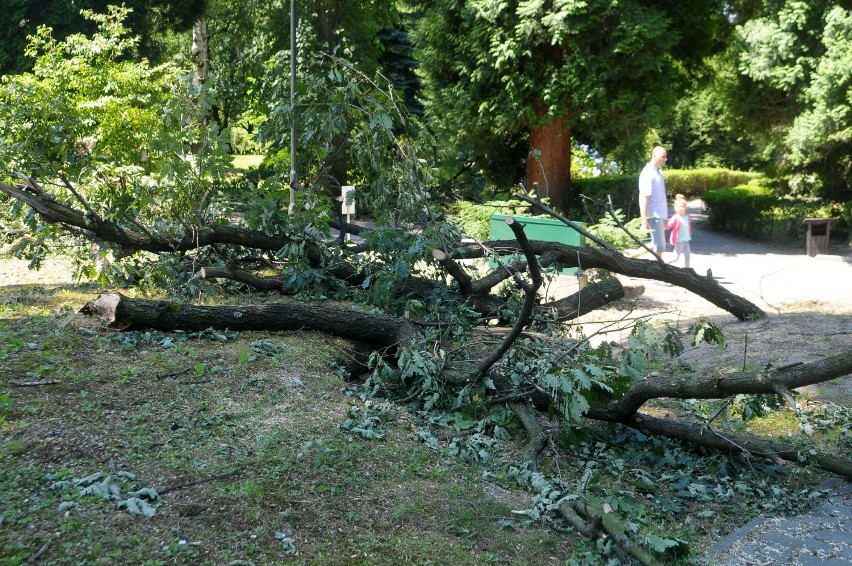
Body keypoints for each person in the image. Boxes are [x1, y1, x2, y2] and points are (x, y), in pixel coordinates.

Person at [638, 146, 668, 259]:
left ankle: (629, 256)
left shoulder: (659, 173)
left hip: (659, 215)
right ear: (654, 156)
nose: (666, 159)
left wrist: (664, 217)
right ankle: (657, 272)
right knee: (659, 247)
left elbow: (660, 196)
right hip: (654, 215)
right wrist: (644, 222)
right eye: (663, 156)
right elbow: (644, 198)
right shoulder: (648, 173)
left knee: (657, 244)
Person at [665, 194, 692, 268]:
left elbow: (688, 227)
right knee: (675, 258)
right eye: (678, 206)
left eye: (682, 206)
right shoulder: (675, 217)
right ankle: (664, 265)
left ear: (685, 207)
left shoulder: (688, 217)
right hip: (679, 240)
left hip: (686, 240)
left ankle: (687, 270)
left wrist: (689, 234)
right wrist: (664, 225)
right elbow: (669, 225)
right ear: (675, 208)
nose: (680, 208)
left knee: (688, 256)